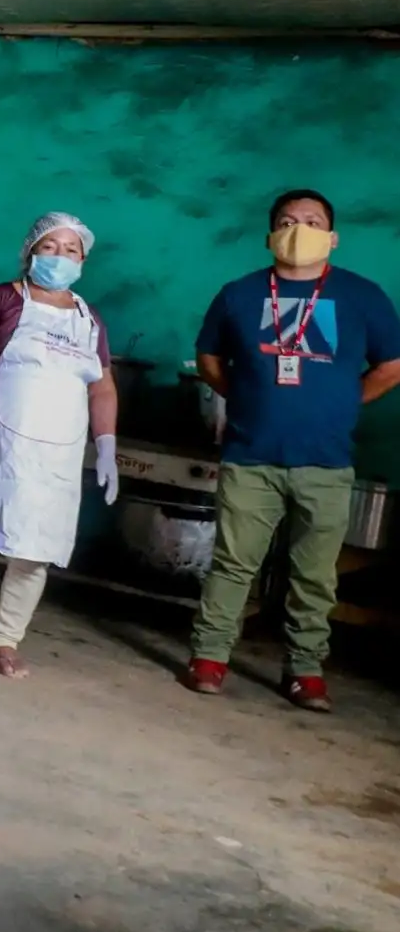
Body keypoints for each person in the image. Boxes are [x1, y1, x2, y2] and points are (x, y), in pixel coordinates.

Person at [183, 190, 400, 712]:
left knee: (314, 574)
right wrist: (246, 398)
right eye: (287, 220)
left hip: (325, 463)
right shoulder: (239, 294)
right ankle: (210, 656)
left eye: (311, 221)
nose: (298, 228)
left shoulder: (362, 296)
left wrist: (348, 401)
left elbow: (392, 365)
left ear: (333, 236)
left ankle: (305, 669)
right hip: (250, 456)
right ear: (270, 235)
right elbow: (209, 357)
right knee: (234, 564)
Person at [0, 213, 120, 678]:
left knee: (36, 547)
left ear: (84, 260)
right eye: (49, 247)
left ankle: (6, 640)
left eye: (71, 250)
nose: (60, 257)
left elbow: (103, 388)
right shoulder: (0, 300)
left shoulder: (87, 318)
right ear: (30, 251)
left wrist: (108, 445)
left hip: (56, 450)